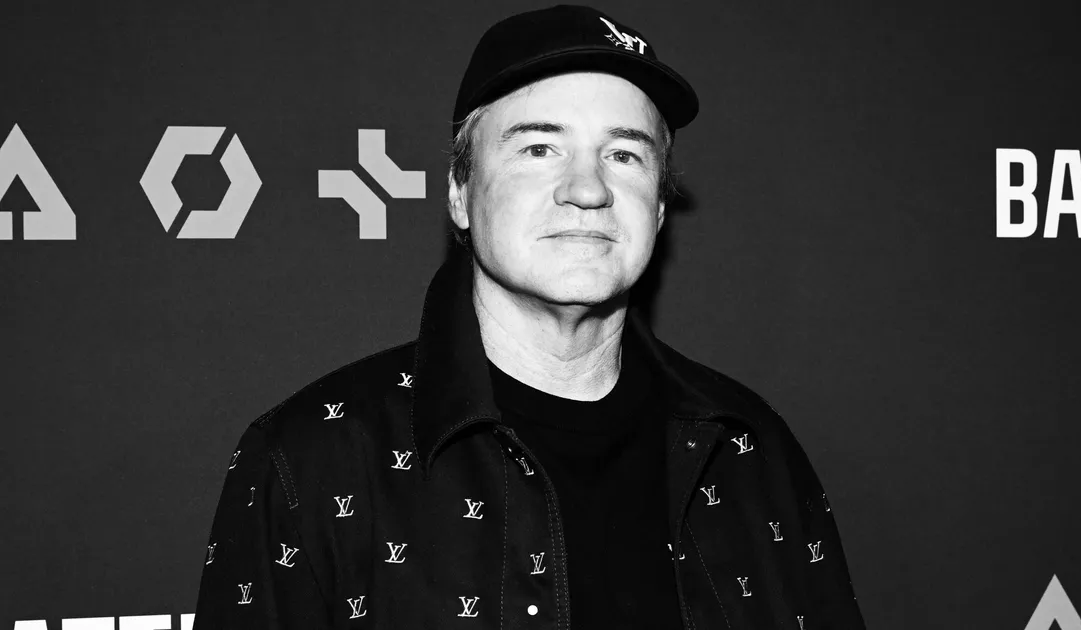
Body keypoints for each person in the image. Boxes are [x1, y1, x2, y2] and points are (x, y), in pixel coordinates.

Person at [194, 5, 865, 629]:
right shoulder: (313, 457)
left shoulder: (748, 447)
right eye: (539, 148)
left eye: (624, 154)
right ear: (460, 193)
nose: (588, 189)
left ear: (659, 208)